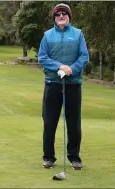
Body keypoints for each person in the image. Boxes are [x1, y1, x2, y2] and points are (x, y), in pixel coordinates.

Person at [38, 3, 89, 170]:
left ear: (69, 17)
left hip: (73, 84)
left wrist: (71, 69)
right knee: (49, 122)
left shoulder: (77, 34)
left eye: (64, 14)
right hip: (52, 84)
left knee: (73, 123)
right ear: (54, 17)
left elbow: (84, 56)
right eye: (58, 14)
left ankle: (74, 157)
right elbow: (42, 57)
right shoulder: (47, 35)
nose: (61, 16)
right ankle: (48, 157)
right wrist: (60, 66)